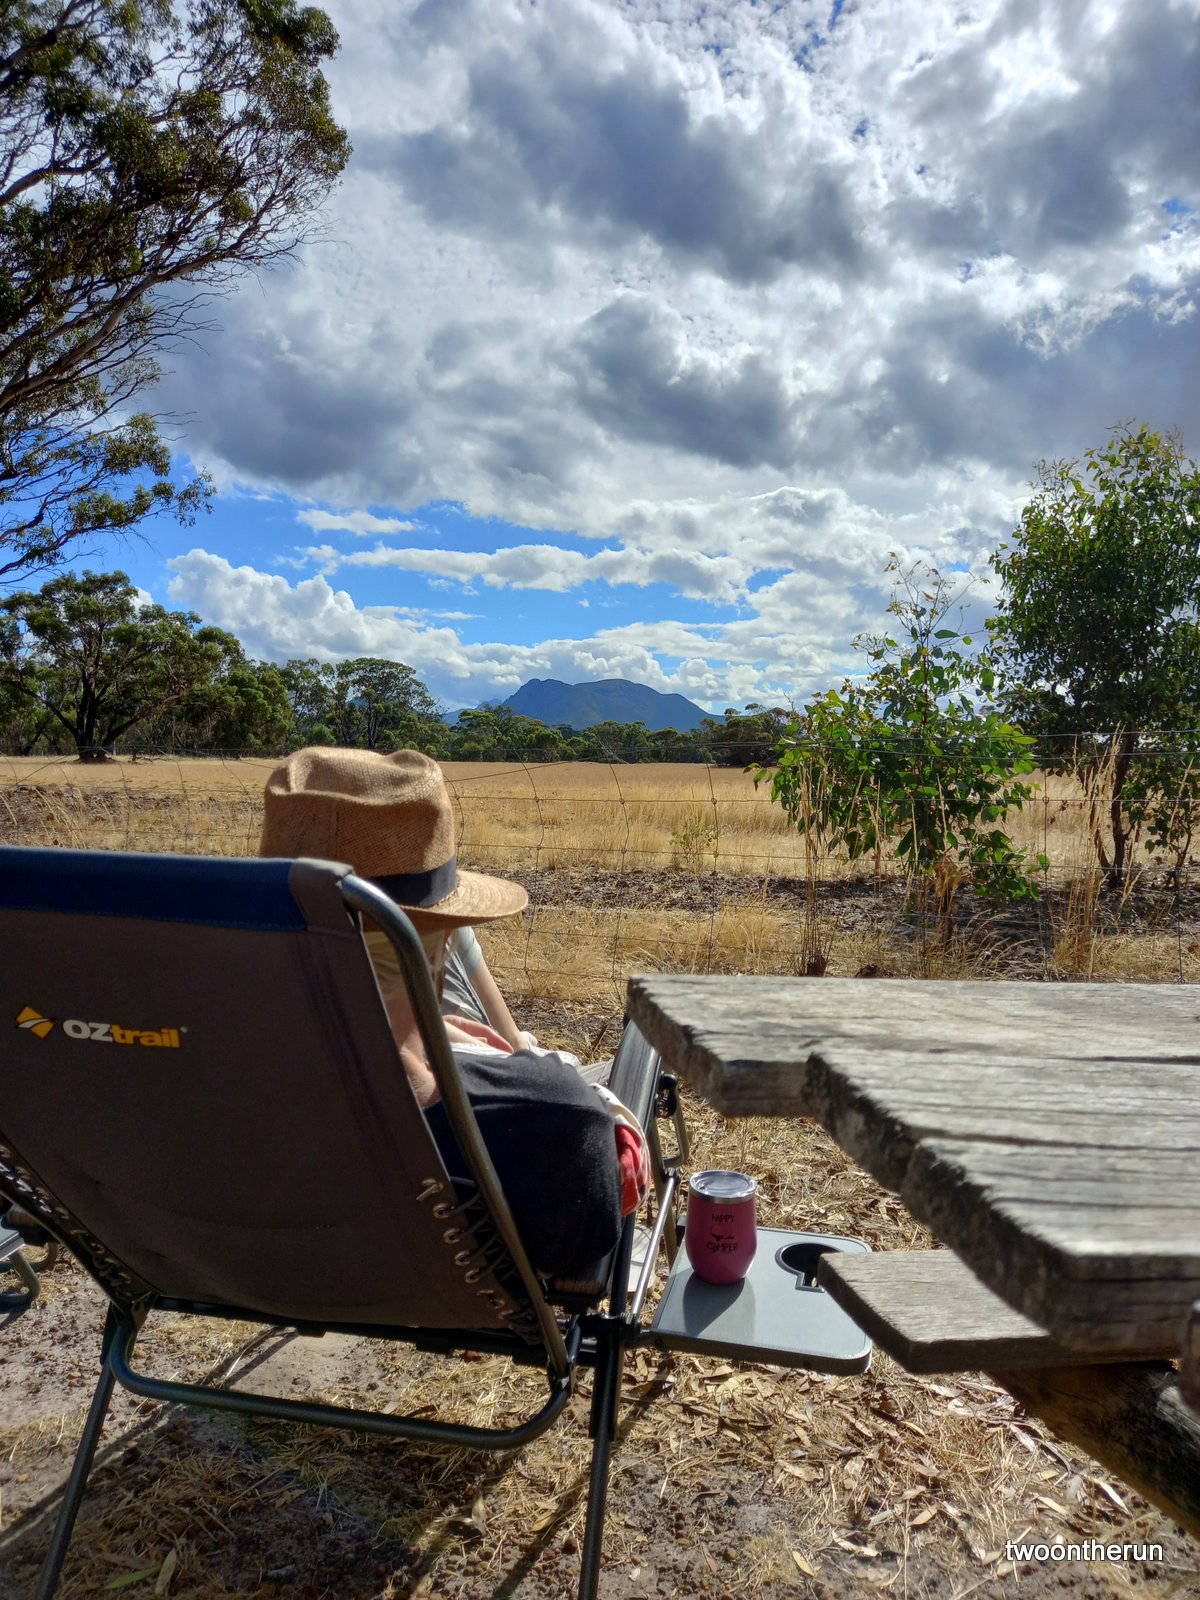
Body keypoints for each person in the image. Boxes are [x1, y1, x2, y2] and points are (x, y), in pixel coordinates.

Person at [258, 746, 642, 1278]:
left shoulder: (181, 1065)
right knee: (631, 1054)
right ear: (432, 955)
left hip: (268, 1269)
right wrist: (522, 1067)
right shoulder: (558, 1116)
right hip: (443, 1264)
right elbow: (584, 1243)